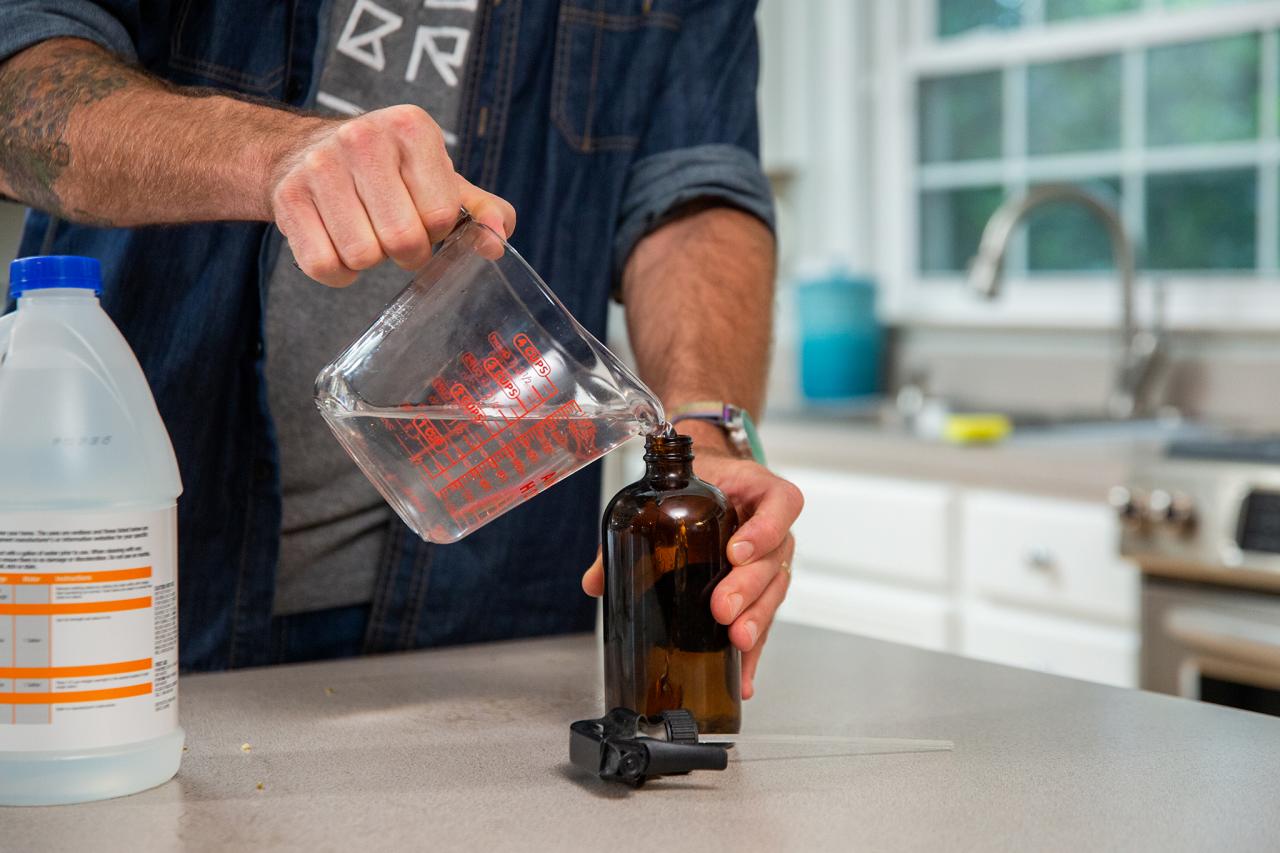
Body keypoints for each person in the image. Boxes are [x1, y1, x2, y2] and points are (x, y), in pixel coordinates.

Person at [0, 0, 802, 700]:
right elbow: (17, 79)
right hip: (128, 584)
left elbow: (694, 189)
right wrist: (268, 156)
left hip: (490, 627)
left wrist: (706, 427)